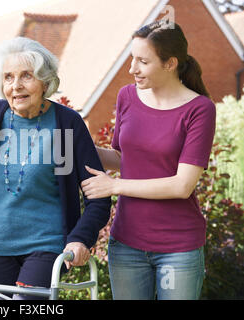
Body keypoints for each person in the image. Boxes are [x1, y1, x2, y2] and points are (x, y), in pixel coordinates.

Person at [0, 37, 111, 299]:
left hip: (47, 245)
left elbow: (98, 194)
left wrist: (80, 238)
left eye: (26, 76)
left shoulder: (66, 124)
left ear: (45, 81)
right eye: (8, 77)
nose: (16, 86)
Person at [81, 21, 216, 300]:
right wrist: (76, 145)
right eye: (132, 58)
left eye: (143, 61)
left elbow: (182, 185)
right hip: (127, 243)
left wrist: (115, 187)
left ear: (170, 64)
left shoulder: (199, 110)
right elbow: (121, 158)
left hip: (177, 248)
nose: (132, 68)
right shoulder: (127, 96)